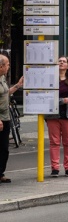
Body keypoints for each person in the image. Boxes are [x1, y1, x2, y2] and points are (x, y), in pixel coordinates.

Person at [0, 54, 24, 184]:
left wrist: (18, 86)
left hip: (5, 117)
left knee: (4, 148)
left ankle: (0, 173)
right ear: (1, 66)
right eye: (7, 64)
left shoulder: (2, 77)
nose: (9, 66)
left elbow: (5, 92)